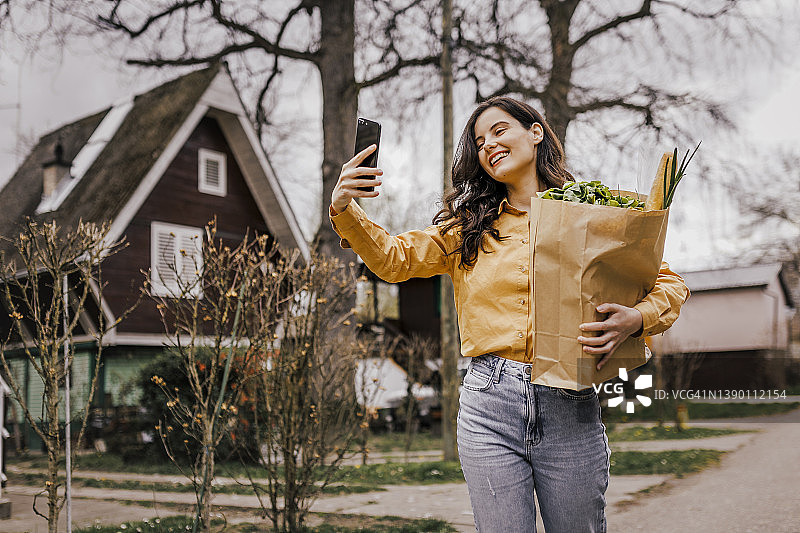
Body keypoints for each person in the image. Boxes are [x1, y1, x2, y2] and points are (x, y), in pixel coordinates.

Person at [329, 96, 689, 533]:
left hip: (570, 404)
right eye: (479, 142)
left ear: (535, 133)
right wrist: (346, 208)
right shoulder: (467, 228)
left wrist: (636, 318)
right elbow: (394, 259)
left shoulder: (591, 216)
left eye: (499, 131)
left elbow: (668, 283)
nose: (488, 146)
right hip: (489, 402)